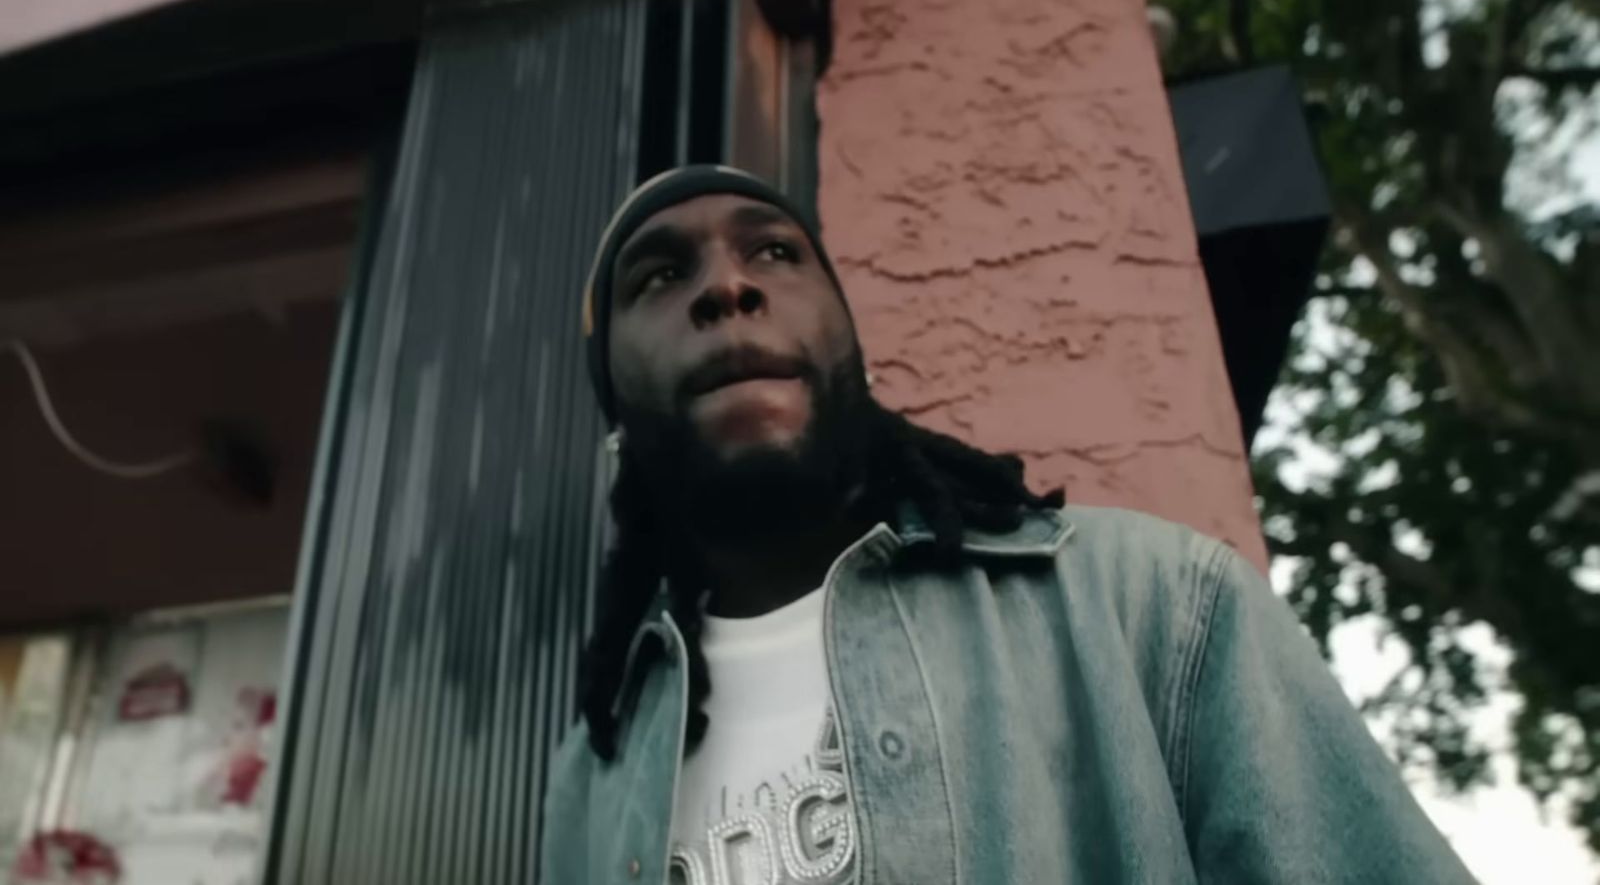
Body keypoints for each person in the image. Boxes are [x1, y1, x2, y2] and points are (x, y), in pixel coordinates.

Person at [540, 164, 1472, 884]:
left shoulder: (1157, 608)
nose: (728, 287)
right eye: (660, 274)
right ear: (613, 401)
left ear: (849, 345)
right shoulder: (594, 771)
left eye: (775, 252)